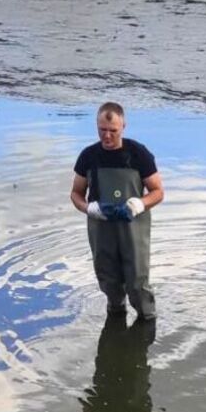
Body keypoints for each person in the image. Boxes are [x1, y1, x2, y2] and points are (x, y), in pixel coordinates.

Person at [70, 102, 164, 319]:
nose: (108, 136)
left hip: (133, 228)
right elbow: (76, 193)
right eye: (102, 130)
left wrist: (139, 204)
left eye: (113, 131)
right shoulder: (88, 156)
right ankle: (115, 317)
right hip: (101, 228)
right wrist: (89, 208)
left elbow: (158, 192)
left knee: (137, 281)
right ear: (96, 126)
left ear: (123, 126)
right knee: (108, 279)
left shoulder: (139, 154)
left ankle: (147, 323)